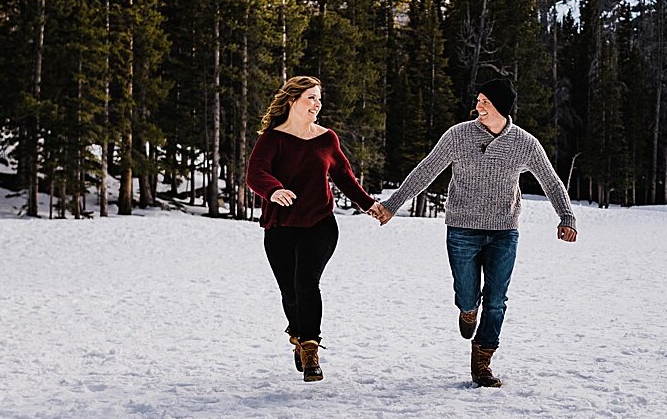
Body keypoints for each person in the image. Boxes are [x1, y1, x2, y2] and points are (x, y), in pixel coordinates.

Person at [371, 76, 577, 387]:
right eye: (478, 100)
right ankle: (467, 311)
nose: (478, 105)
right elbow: (426, 170)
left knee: (496, 300)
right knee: (468, 295)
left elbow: (550, 181)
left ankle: (483, 358)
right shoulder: (458, 136)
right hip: (462, 230)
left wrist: (566, 217)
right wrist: (393, 204)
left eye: (485, 101)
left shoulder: (525, 144)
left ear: (501, 108)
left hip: (503, 232)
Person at [246, 76, 383, 383]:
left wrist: (369, 205)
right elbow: (255, 173)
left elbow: (345, 177)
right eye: (311, 97)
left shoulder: (326, 139)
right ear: (293, 100)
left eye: (319, 98)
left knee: (306, 281)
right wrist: (273, 190)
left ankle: (311, 349)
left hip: (320, 224)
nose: (317, 104)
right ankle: (297, 333)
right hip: (280, 227)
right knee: (290, 292)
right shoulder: (272, 138)